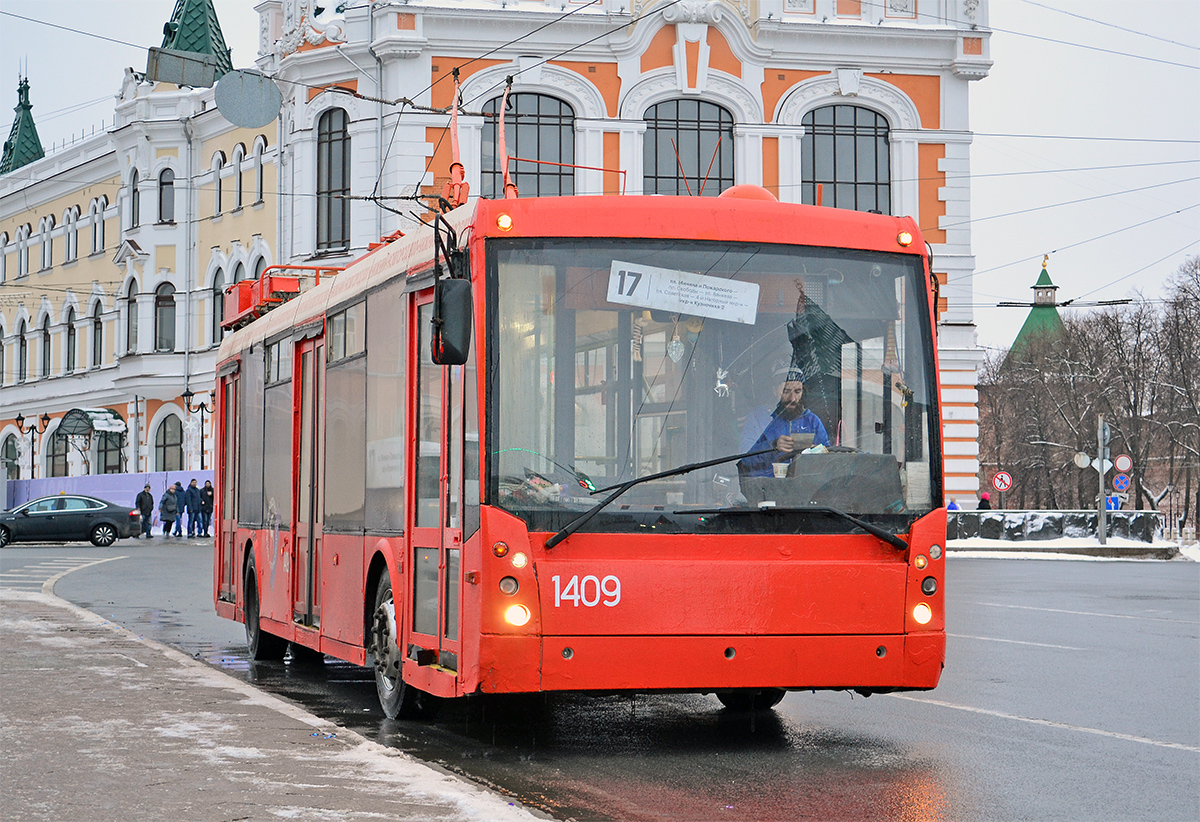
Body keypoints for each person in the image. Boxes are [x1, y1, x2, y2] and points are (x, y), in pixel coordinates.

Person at [739, 363, 829, 478]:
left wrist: (815, 452)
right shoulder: (759, 418)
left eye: (797, 391)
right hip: (765, 489)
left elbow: (828, 459)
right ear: (775, 391)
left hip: (803, 490)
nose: (792, 398)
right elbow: (744, 459)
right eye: (786, 391)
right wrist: (773, 447)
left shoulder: (812, 421)